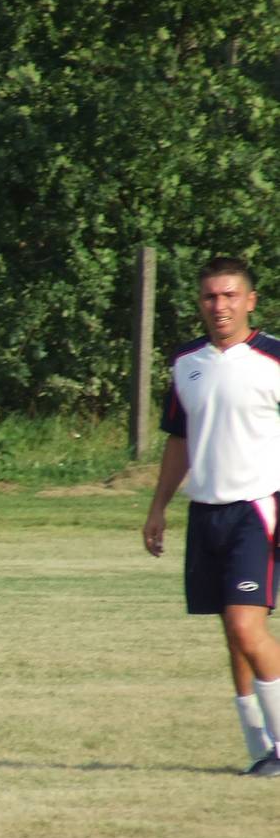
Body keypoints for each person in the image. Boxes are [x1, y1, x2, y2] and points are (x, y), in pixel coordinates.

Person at [142, 256, 280, 776]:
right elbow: (179, 440)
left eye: (229, 295)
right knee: (232, 634)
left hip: (258, 510)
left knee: (247, 627)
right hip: (206, 513)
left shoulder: (274, 358)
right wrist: (158, 507)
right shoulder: (186, 362)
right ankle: (259, 748)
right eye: (210, 296)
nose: (219, 305)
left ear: (250, 301)